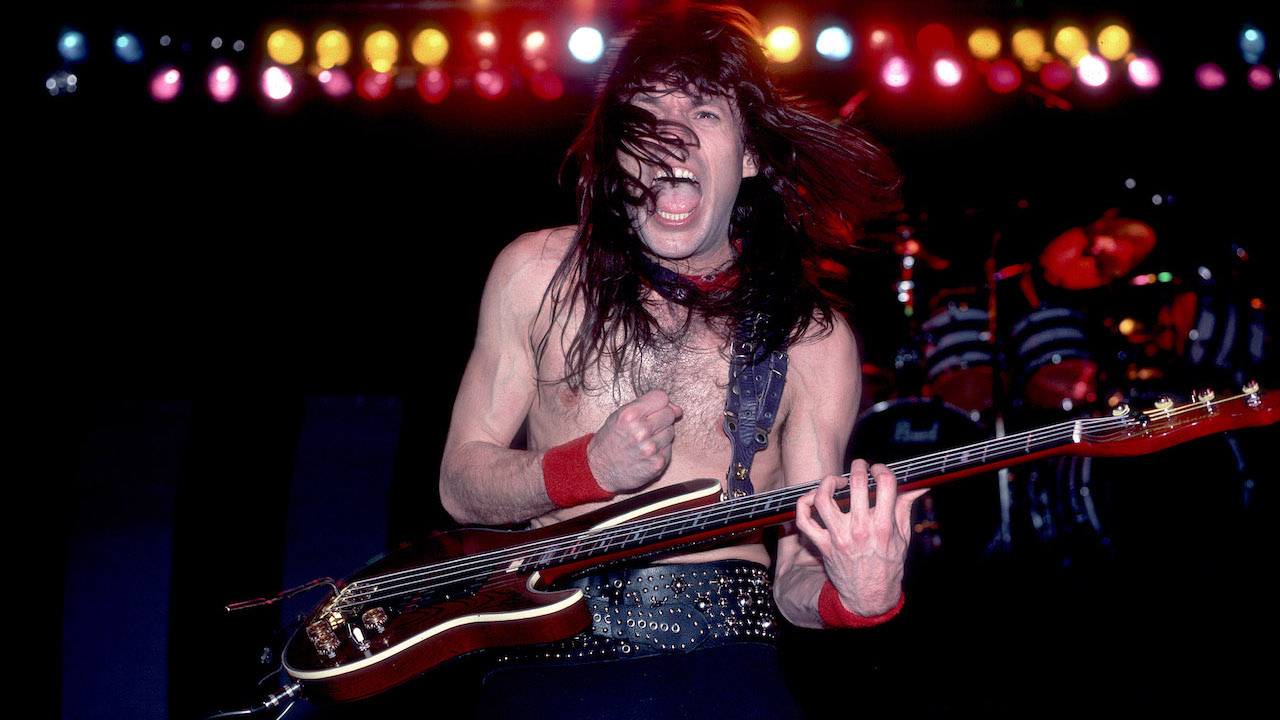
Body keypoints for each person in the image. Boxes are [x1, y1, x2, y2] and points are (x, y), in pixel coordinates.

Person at [439, 4, 922, 716]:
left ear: (750, 154)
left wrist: (858, 595)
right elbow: (460, 483)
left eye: (704, 113)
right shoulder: (535, 274)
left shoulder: (812, 337)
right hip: (546, 666)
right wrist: (585, 470)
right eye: (647, 112)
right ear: (617, 148)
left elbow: (795, 572)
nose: (670, 135)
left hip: (725, 671)